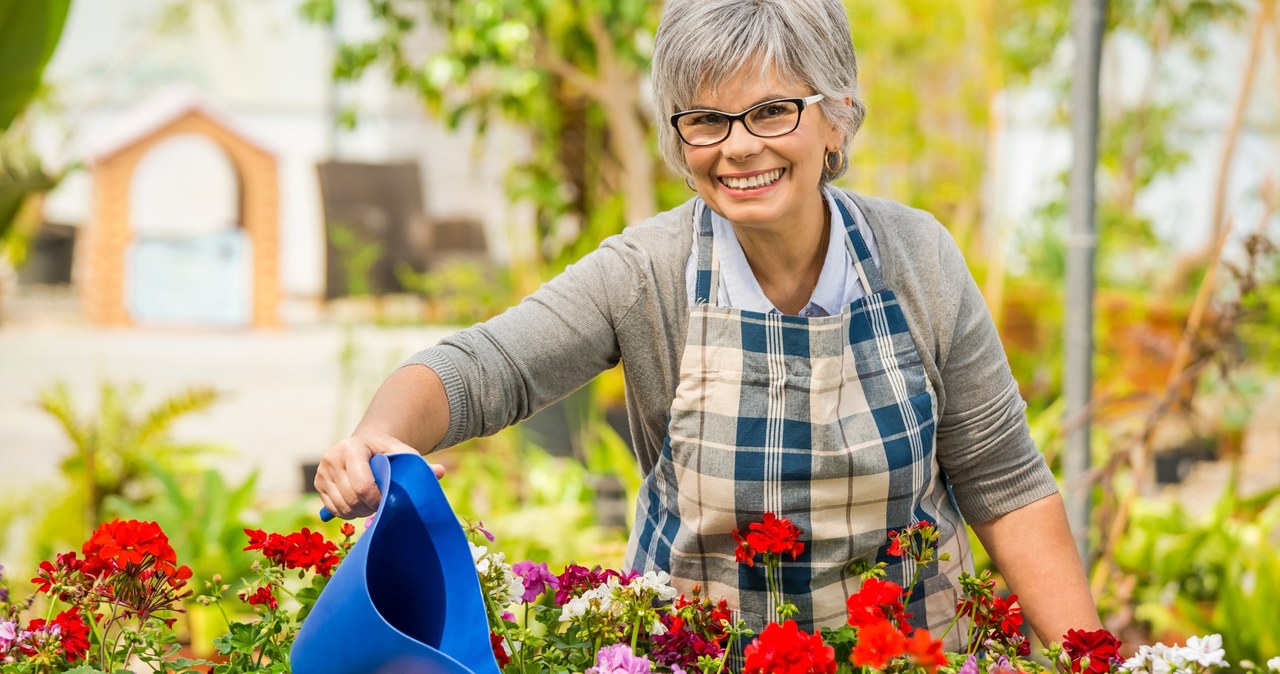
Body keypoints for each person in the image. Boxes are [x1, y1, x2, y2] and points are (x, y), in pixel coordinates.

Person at [315, 0, 1102, 648]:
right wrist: (379, 432)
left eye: (772, 111)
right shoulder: (647, 274)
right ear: (678, 137)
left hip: (905, 656)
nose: (739, 148)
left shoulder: (916, 258)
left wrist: (1086, 662)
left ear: (838, 118)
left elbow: (1005, 482)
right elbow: (486, 366)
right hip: (698, 655)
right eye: (707, 120)